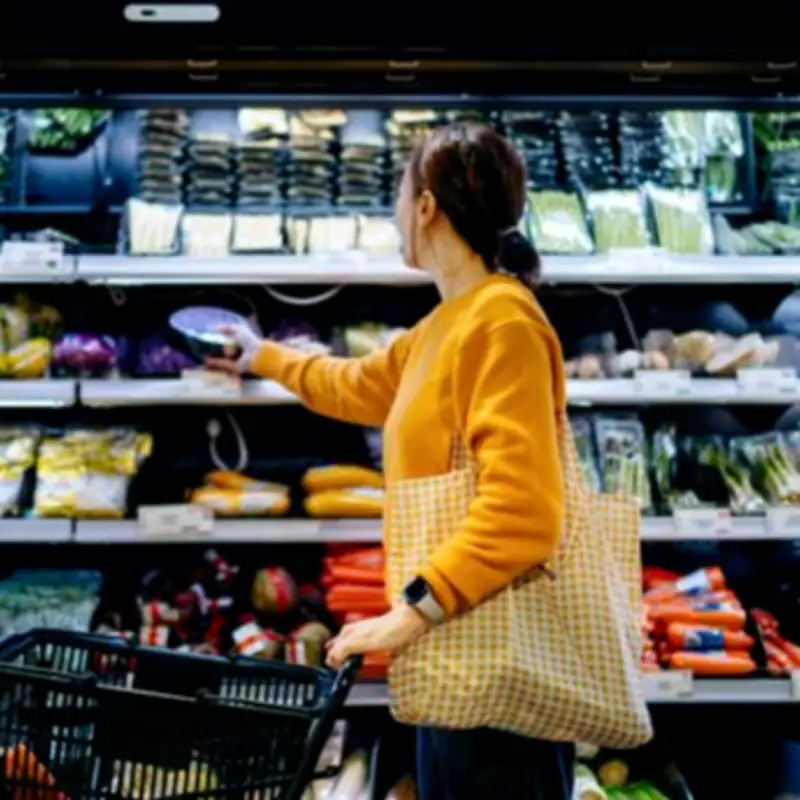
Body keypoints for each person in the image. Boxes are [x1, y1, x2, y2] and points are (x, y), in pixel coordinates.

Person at [206, 122, 574, 799]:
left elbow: (524, 512)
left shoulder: (503, 323)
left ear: (427, 206)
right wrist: (260, 355)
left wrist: (410, 611)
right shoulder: (444, 326)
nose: (396, 214)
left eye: (400, 197)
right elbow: (350, 384)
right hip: (457, 658)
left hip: (496, 671)